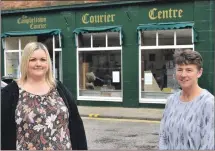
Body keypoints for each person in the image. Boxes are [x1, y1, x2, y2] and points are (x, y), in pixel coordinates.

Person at [1, 42, 88, 150]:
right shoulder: (10, 93)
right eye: (33, 60)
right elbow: (3, 132)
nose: (38, 64)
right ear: (24, 62)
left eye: (43, 59)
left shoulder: (59, 88)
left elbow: (76, 125)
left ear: (48, 63)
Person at [159, 49, 214, 150]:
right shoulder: (171, 100)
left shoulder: (208, 103)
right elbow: (163, 136)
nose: (183, 75)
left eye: (189, 70)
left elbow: (209, 145)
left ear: (199, 72)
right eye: (180, 69)